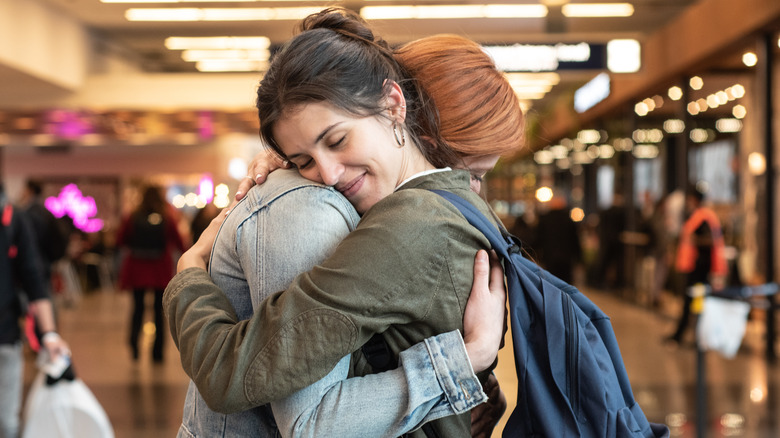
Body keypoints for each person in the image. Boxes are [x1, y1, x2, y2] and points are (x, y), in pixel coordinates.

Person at [164, 8, 522, 437]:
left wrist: (187, 274)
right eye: (303, 160)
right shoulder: (437, 208)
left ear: (395, 106)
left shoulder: (409, 225)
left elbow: (240, 379)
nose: (328, 175)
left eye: (337, 140)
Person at [0, 184, 70, 438]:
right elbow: (35, 280)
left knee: (7, 422)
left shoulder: (14, 220)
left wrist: (49, 334)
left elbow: (34, 281)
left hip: (5, 336)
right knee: (6, 422)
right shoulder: (13, 218)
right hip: (5, 335)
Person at [117, 185, 185, 362]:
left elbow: (120, 240)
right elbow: (179, 242)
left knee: (137, 309)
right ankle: (157, 353)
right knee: (158, 311)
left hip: (137, 268)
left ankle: (134, 346)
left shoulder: (132, 216)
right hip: (159, 269)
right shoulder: (167, 217)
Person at [665, 184, 727, 344]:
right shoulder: (699, 215)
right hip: (694, 267)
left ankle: (687, 336)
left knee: (693, 302)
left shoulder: (703, 217)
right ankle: (694, 336)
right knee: (695, 303)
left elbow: (710, 241)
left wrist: (694, 240)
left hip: (699, 268)